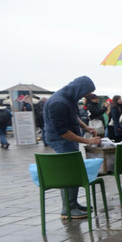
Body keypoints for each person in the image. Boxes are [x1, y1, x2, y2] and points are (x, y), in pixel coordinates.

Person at [43, 76, 102, 220]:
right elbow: (62, 132)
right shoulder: (58, 103)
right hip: (60, 140)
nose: (85, 96)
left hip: (65, 138)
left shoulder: (68, 98)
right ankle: (68, 208)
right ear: (79, 89)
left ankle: (72, 204)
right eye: (85, 93)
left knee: (72, 170)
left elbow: (74, 116)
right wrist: (87, 141)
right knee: (70, 172)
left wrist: (85, 127)